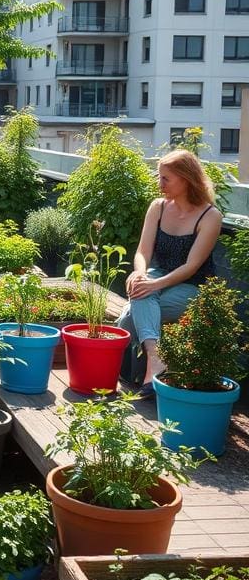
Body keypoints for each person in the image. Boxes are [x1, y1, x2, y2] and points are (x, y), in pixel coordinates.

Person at [116, 149, 222, 398]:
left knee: (127, 322)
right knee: (140, 290)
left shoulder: (210, 216)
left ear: (186, 180)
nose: (159, 184)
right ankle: (156, 360)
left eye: (166, 178)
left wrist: (153, 285)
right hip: (157, 274)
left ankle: (144, 365)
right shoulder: (158, 207)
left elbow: (191, 267)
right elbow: (142, 251)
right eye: (159, 177)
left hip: (193, 285)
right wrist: (140, 273)